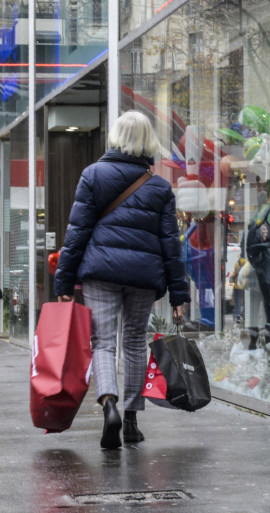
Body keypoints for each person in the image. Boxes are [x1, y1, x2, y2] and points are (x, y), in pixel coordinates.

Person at [54, 110, 190, 450]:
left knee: (102, 342)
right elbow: (170, 247)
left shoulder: (92, 175)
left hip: (101, 274)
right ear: (148, 142)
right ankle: (130, 420)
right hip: (144, 277)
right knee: (132, 343)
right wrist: (178, 294)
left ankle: (108, 404)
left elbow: (77, 234)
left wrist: (63, 283)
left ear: (115, 137)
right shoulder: (159, 187)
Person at [245, 181, 270, 347]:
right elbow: (251, 245)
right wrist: (259, 265)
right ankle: (263, 340)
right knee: (267, 306)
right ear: (268, 198)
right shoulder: (260, 219)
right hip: (265, 272)